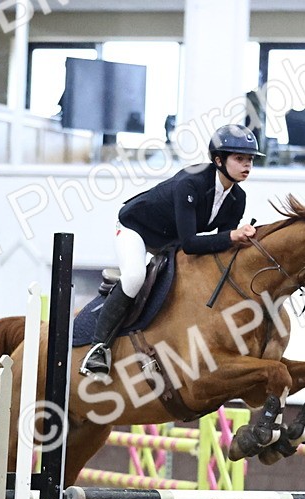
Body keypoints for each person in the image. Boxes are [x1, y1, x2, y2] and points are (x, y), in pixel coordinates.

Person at [79, 123, 264, 376]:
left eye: (250, 159)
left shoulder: (237, 198)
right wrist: (232, 236)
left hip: (171, 239)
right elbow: (190, 244)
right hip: (136, 229)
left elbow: (221, 248)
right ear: (219, 160)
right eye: (240, 158)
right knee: (134, 277)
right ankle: (98, 348)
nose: (247, 165)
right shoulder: (191, 184)